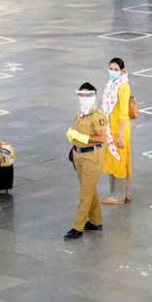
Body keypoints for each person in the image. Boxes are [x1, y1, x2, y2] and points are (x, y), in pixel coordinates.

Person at [65, 83, 107, 240]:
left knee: (85, 194)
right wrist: (73, 136)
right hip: (79, 154)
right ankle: (96, 221)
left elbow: (102, 137)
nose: (84, 98)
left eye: (87, 95)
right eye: (81, 95)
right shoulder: (80, 114)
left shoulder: (98, 116)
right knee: (89, 189)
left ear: (94, 96)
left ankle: (78, 226)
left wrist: (85, 138)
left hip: (92, 156)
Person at [102, 58, 132, 203]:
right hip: (110, 128)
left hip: (119, 129)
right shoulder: (111, 84)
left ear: (122, 70)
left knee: (119, 159)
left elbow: (123, 113)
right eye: (110, 68)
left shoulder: (123, 87)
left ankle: (118, 195)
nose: (112, 72)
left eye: (116, 69)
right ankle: (119, 193)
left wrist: (120, 135)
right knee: (113, 159)